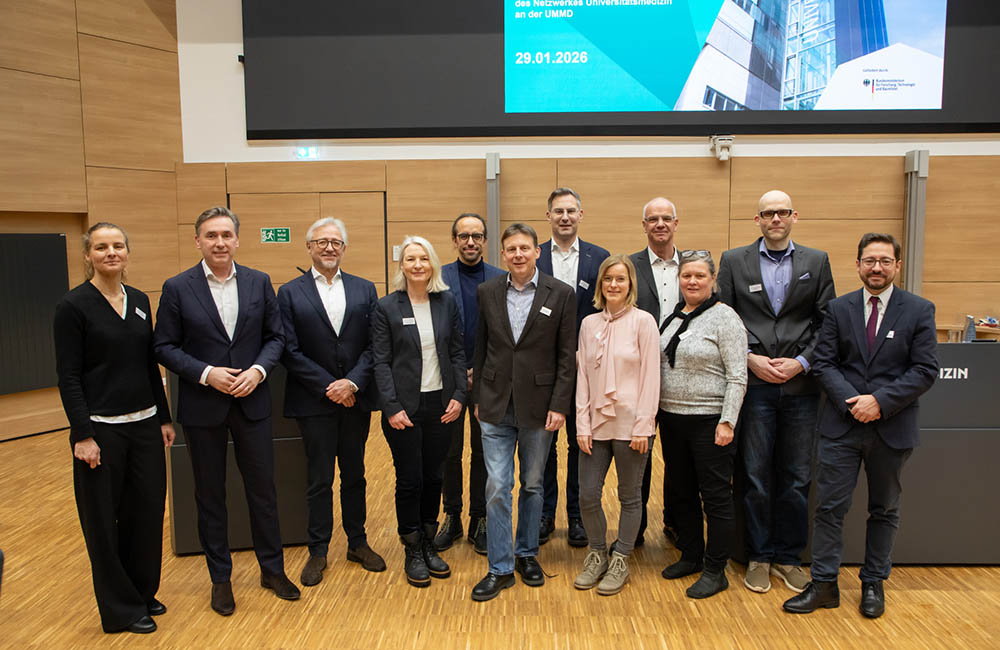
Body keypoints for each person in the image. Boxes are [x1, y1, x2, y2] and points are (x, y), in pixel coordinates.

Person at [784, 233, 938, 619]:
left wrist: (879, 402)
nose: (877, 268)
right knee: (830, 508)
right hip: (842, 424)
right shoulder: (839, 308)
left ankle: (873, 583)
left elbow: (924, 369)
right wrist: (855, 402)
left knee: (884, 509)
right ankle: (823, 585)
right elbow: (824, 363)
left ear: (897, 266)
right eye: (870, 260)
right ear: (857, 265)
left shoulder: (919, 310)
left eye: (885, 261)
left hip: (892, 426)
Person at [154, 206, 298, 616]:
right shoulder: (177, 287)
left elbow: (276, 338)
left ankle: (272, 570)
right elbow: (163, 346)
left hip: (252, 402)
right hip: (204, 407)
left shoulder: (258, 282)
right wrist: (205, 374)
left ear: (237, 240)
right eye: (211, 235)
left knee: (263, 491)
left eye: (226, 235)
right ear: (197, 241)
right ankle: (221, 579)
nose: (219, 242)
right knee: (210, 495)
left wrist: (257, 371)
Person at [54, 222, 175, 634]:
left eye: (118, 246)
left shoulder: (140, 301)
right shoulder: (73, 306)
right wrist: (82, 434)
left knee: (146, 513)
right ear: (88, 254)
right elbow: (68, 376)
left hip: (144, 426)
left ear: (127, 252)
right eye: (101, 247)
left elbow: (148, 364)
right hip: (101, 431)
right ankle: (120, 609)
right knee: (104, 521)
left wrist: (163, 417)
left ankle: (142, 592)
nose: (111, 253)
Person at [717, 190, 836, 594]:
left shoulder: (816, 262)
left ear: (794, 216)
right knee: (754, 475)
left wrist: (801, 362)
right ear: (758, 219)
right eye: (768, 213)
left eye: (782, 212)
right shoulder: (734, 261)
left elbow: (827, 324)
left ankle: (788, 557)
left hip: (801, 386)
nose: (775, 219)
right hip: (755, 385)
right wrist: (750, 359)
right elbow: (726, 318)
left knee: (797, 476)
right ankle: (758, 555)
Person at [470, 223, 576, 601]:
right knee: (498, 486)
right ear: (503, 254)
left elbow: (567, 357)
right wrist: (479, 397)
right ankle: (500, 568)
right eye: (511, 248)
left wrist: (560, 405)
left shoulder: (561, 294)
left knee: (532, 485)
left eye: (524, 248)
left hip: (540, 406)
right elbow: (481, 348)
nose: (517, 254)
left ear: (536, 252)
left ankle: (527, 553)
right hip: (495, 403)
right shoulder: (487, 292)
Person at [277, 217, 385, 587]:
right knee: (319, 479)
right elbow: (288, 350)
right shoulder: (289, 293)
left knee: (355, 475)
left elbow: (375, 345)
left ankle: (357, 542)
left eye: (336, 242)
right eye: (321, 242)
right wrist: (329, 386)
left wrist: (352, 383)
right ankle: (318, 550)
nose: (328, 247)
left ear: (344, 249)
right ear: (308, 247)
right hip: (314, 401)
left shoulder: (364, 289)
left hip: (354, 400)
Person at [372, 236, 466, 588]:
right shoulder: (387, 307)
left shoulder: (446, 302)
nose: (416, 265)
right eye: (410, 259)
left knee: (435, 477)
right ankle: (411, 546)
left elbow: (457, 352)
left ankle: (429, 542)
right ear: (401, 265)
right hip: (404, 409)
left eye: (423, 259)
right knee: (409, 479)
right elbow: (380, 362)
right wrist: (391, 406)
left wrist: (459, 394)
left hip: (441, 404)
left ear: (432, 265)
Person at [658, 250, 748, 599]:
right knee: (682, 492)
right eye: (686, 276)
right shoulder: (674, 316)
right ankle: (692, 555)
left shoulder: (726, 319)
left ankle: (716, 568)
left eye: (699, 276)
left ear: (713, 280)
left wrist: (727, 421)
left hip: (710, 422)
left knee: (715, 497)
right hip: (672, 419)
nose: (692, 281)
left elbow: (738, 377)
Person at [573, 255, 659, 596]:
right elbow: (582, 377)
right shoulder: (588, 325)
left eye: (620, 279)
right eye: (608, 279)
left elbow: (652, 376)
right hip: (595, 424)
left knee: (629, 495)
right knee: (588, 494)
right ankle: (597, 552)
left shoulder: (644, 322)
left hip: (631, 426)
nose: (613, 284)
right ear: (600, 284)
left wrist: (644, 425)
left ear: (630, 285)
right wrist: (582, 423)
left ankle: (621, 556)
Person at [537, 188, 609, 548]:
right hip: (543, 370)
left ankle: (580, 515)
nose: (564, 217)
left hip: (587, 369)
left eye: (571, 211)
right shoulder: (533, 257)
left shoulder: (600, 258)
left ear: (581, 214)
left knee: (583, 444)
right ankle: (545, 515)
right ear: (547, 216)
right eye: (558, 211)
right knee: (544, 444)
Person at [435, 213, 505, 554]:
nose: (470, 242)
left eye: (477, 235)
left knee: (483, 451)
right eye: (463, 236)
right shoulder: (439, 278)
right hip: (447, 379)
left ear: (485, 240)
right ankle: (452, 516)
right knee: (449, 452)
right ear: (454, 240)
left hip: (487, 379)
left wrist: (479, 367)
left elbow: (505, 333)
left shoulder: (500, 279)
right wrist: (456, 369)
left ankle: (480, 517)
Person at [629, 197, 682, 547]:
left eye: (666, 218)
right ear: (644, 225)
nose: (660, 224)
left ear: (676, 223)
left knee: (679, 457)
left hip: (682, 378)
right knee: (639, 455)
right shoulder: (629, 266)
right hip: (638, 378)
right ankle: (635, 528)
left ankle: (676, 523)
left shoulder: (694, 266)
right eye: (653, 219)